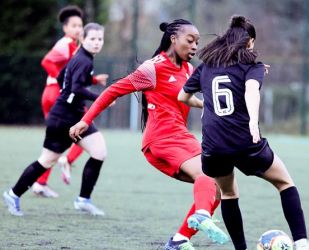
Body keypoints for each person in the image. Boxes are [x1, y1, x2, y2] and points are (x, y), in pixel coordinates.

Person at [178, 16, 309, 250]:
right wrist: (253, 122)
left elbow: (182, 97)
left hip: (213, 145)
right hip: (244, 141)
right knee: (284, 183)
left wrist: (204, 104)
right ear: (249, 42)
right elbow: (251, 91)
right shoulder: (253, 66)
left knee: (229, 194)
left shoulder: (206, 66)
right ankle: (301, 243)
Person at [69, 19, 228, 250]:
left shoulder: (188, 69)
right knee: (207, 175)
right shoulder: (152, 68)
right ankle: (202, 215)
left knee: (216, 188)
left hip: (180, 137)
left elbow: (183, 97)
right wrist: (85, 120)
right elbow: (113, 91)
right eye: (190, 40)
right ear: (174, 39)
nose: (195, 46)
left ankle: (178, 240)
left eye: (197, 42)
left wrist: (206, 104)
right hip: (161, 139)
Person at [4, 23, 108, 217]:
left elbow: (61, 78)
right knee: (49, 160)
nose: (96, 43)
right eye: (92, 38)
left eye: (100, 39)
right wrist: (101, 98)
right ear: (83, 39)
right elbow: (76, 88)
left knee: (96, 151)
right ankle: (14, 194)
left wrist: (68, 95)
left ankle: (82, 200)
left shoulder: (80, 57)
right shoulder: (84, 60)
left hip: (69, 114)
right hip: (65, 118)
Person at [36, 5, 109, 197]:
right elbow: (47, 62)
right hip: (57, 95)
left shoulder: (76, 47)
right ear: (65, 28)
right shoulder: (65, 43)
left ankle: (41, 182)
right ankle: (65, 163)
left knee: (58, 143)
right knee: (84, 132)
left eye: (80, 25)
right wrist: (63, 86)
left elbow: (73, 73)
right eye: (74, 25)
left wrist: (93, 80)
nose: (78, 29)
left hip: (60, 94)